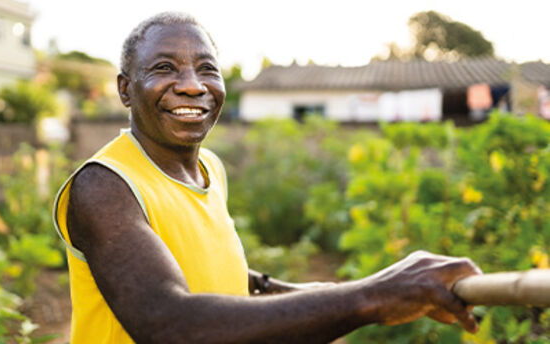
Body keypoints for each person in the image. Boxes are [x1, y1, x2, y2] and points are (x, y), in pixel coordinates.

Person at [53, 12, 481, 344]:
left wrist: (271, 287)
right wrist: (376, 295)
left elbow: (203, 264)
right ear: (126, 89)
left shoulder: (209, 170)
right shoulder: (104, 185)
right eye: (165, 68)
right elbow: (171, 325)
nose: (191, 86)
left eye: (207, 69)